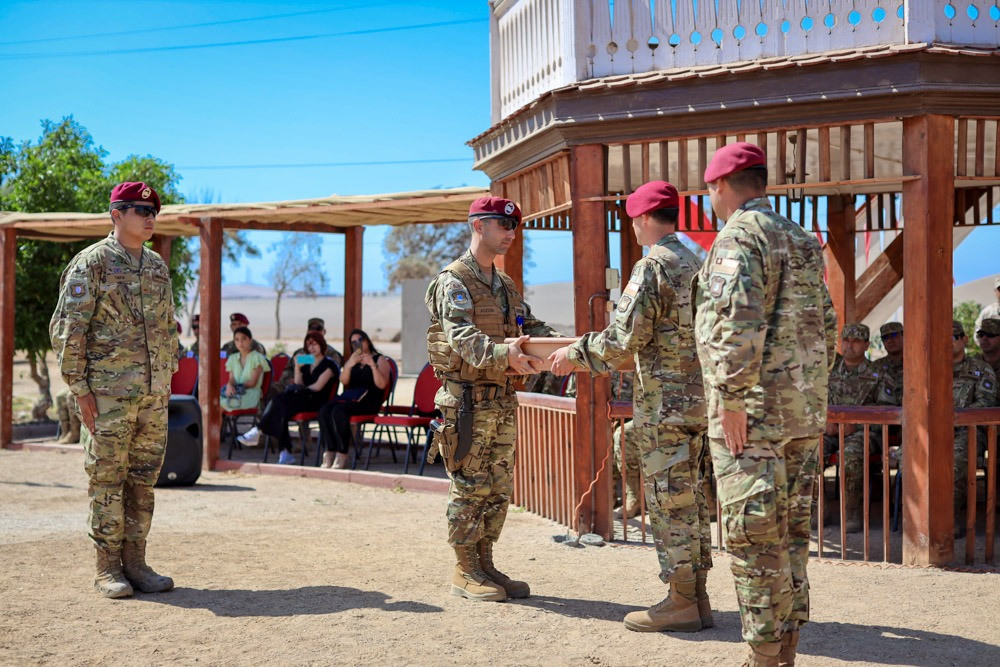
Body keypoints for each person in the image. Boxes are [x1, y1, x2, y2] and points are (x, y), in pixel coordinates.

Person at [692, 143, 837, 666]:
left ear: (719, 187)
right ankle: (787, 647)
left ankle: (765, 656)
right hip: (799, 415)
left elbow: (737, 320)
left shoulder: (739, 236)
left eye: (709, 191)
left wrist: (730, 400)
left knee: (754, 539)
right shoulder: (799, 238)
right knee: (793, 535)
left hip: (751, 418)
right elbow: (828, 322)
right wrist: (811, 394)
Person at [550, 180, 712, 633]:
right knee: (692, 498)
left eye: (632, 221)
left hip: (664, 408)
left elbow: (622, 341)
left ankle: (681, 600)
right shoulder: (696, 260)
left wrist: (573, 356)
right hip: (699, 403)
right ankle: (696, 596)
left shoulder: (653, 266)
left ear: (641, 220)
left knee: (668, 502)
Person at [425, 195, 559, 602]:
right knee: (469, 484)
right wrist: (508, 354)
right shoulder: (454, 282)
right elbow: (463, 339)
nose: (510, 235)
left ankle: (485, 562)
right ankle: (464, 569)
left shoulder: (504, 284)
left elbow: (528, 325)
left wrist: (566, 348)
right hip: (465, 402)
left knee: (498, 486)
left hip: (500, 400)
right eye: (503, 226)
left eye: (513, 228)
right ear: (478, 226)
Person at [49, 181, 179, 599]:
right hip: (107, 395)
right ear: (115, 215)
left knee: (143, 481)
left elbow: (167, 329)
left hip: (152, 396)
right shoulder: (92, 264)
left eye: (152, 211)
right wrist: (80, 389)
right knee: (107, 478)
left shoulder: (158, 267)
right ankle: (107, 569)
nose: (148, 218)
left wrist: (167, 379)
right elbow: (69, 330)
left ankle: (136, 563)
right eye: (138, 210)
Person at [237, 317, 342, 447]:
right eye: (311, 329)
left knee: (282, 401)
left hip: (315, 394)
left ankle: (268, 432)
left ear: (324, 332)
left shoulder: (330, 354)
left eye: (318, 329)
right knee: (273, 394)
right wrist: (292, 379)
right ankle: (271, 437)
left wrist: (299, 382)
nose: (313, 332)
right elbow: (290, 370)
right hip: (295, 387)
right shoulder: (302, 352)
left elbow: (325, 375)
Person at [822, 324, 881, 533]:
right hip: (830, 431)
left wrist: (856, 425)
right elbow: (816, 403)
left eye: (856, 341)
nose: (849, 345)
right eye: (846, 340)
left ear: (866, 344)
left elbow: (889, 412)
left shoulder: (878, 375)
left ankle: (852, 513)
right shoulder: (828, 373)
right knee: (810, 451)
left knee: (851, 455)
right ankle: (818, 510)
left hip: (865, 432)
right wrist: (825, 422)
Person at [257, 331, 338, 464]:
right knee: (280, 407)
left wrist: (298, 391)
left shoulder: (329, 364)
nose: (311, 348)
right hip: (302, 398)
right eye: (308, 345)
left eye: (315, 344)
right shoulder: (307, 363)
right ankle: (285, 452)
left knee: (280, 401)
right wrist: (297, 369)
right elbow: (298, 383)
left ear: (322, 345)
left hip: (317, 401)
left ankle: (260, 429)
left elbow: (317, 387)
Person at [317, 328, 392, 469]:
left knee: (338, 411)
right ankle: (329, 451)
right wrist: (349, 365)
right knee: (325, 410)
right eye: (353, 342)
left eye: (360, 340)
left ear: (367, 341)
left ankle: (342, 453)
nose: (357, 344)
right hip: (351, 399)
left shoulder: (379, 359)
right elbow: (344, 381)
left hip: (369, 401)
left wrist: (372, 365)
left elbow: (382, 385)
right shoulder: (352, 360)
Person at [951, 320, 997, 537]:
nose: (947, 342)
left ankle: (950, 518)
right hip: (934, 431)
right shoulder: (929, 367)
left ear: (964, 340)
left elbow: (986, 404)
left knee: (957, 460)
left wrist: (955, 418)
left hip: (969, 430)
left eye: (953, 337)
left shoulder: (981, 369)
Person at [222, 326, 269, 411]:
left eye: (244, 339)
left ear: (250, 340)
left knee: (221, 404)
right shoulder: (232, 358)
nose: (240, 342)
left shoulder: (257, 358)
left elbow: (252, 383)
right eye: (237, 339)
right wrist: (229, 385)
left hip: (250, 394)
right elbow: (232, 379)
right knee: (212, 401)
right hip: (235, 393)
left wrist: (234, 387)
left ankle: (216, 425)